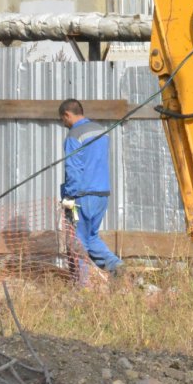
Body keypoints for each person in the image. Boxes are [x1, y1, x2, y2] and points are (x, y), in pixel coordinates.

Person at [58, 99, 123, 280]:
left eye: (63, 120)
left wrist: (69, 196)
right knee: (91, 237)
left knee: (77, 240)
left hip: (82, 196)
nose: (64, 124)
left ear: (67, 115)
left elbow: (74, 168)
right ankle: (117, 267)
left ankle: (82, 286)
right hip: (101, 194)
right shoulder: (101, 131)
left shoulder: (74, 135)